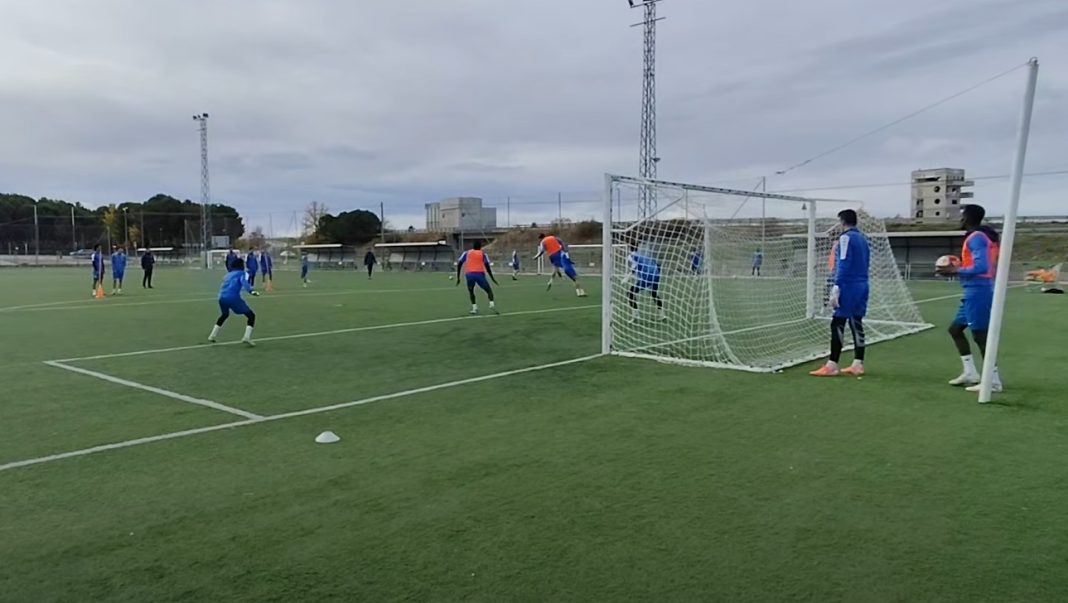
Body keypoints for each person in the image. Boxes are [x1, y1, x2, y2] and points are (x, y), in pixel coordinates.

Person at [937, 204, 1003, 393]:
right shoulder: (983, 236)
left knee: (980, 335)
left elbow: (982, 267)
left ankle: (993, 380)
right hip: (972, 290)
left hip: (978, 290)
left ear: (968, 218)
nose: (961, 219)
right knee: (955, 329)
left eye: (962, 216)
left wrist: (955, 270)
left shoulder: (976, 238)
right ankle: (970, 372)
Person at [811, 209, 869, 377]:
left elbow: (843, 262)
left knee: (838, 323)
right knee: (856, 322)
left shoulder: (845, 238)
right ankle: (858, 363)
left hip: (848, 285)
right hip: (863, 284)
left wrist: (837, 286)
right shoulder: (863, 239)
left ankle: (832, 364)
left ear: (842, 221)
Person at [208, 257, 259, 346]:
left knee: (224, 315)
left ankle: (212, 335)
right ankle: (246, 337)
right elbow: (244, 283)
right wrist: (252, 291)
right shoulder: (243, 273)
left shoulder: (228, 275)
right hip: (232, 297)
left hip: (221, 297)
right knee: (251, 315)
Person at [455, 241, 499, 315]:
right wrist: (492, 278)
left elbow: (459, 263)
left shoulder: (467, 253)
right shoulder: (483, 254)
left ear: (473, 246)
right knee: (488, 290)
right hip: (479, 274)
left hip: (469, 275)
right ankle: (491, 304)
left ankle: (474, 308)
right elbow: (487, 267)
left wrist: (458, 277)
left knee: (471, 291)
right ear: (480, 247)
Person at [627, 242, 666, 322]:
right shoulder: (644, 254)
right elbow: (657, 265)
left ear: (629, 247)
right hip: (656, 274)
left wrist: (627, 277)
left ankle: (636, 316)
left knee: (631, 292)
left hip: (647, 277)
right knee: (654, 294)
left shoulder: (632, 256)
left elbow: (634, 267)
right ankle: (662, 315)